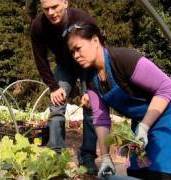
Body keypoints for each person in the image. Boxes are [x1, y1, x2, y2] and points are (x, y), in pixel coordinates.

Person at [65, 22, 171, 179]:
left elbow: (166, 87)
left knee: (159, 172)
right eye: (72, 52)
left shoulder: (124, 59)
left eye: (78, 48)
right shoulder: (91, 78)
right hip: (140, 125)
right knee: (136, 171)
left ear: (95, 41)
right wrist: (106, 157)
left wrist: (144, 125)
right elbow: (101, 120)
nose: (75, 56)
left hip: (164, 117)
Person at [30, 0, 98, 174]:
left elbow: (98, 53)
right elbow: (40, 59)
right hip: (65, 66)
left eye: (55, 7)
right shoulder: (39, 26)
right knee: (56, 105)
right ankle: (55, 153)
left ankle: (88, 156)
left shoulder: (83, 20)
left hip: (87, 65)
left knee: (92, 107)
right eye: (46, 9)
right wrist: (53, 87)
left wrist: (90, 88)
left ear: (65, 2)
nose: (51, 12)